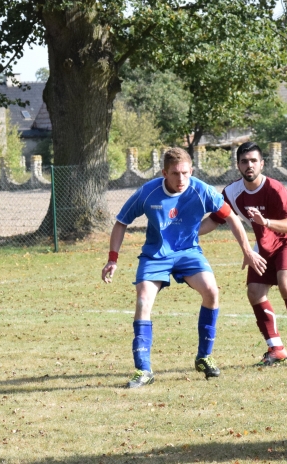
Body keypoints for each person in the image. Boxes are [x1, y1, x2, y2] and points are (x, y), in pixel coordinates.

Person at [102, 147, 266, 388]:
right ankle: (143, 370)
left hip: (188, 252)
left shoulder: (201, 190)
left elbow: (230, 216)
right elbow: (121, 222)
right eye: (175, 174)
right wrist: (113, 258)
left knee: (211, 291)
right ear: (164, 173)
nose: (181, 179)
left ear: (192, 170)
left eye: (186, 173)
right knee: (143, 301)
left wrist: (247, 251)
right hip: (155, 255)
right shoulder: (148, 192)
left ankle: (204, 357)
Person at [200, 142, 287, 365]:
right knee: (254, 292)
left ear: (262, 164)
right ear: (238, 166)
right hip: (263, 245)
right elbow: (215, 219)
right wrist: (189, 235)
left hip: (285, 242)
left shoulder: (275, 188)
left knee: (286, 284)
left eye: (253, 161)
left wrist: (267, 222)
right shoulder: (232, 192)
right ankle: (276, 348)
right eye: (244, 161)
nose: (249, 165)